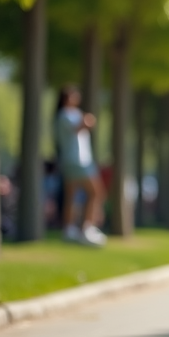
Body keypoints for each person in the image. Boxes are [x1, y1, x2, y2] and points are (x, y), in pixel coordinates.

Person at [54, 85, 107, 247]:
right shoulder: (65, 114)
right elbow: (80, 127)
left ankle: (70, 229)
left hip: (76, 160)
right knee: (97, 192)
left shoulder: (73, 114)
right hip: (77, 160)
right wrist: (88, 120)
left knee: (72, 195)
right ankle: (87, 228)